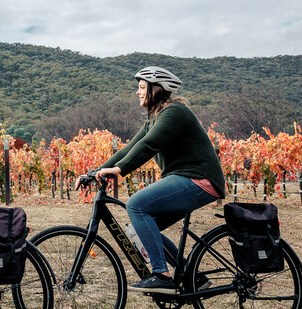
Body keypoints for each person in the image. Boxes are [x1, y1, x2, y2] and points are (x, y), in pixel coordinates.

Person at [96, 66, 226, 292]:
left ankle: (162, 275)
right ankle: (192, 276)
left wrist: (120, 170)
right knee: (139, 230)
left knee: (136, 205)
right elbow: (129, 149)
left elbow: (149, 145)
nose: (137, 92)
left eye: (141, 87)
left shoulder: (175, 112)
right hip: (186, 179)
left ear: (156, 89)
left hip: (199, 179)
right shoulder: (154, 118)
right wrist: (95, 171)